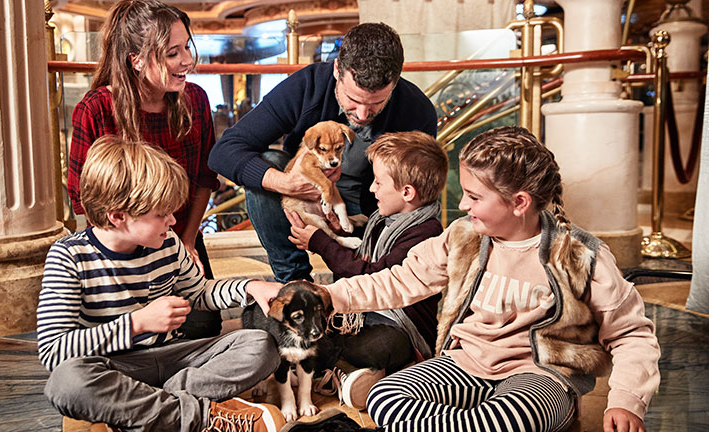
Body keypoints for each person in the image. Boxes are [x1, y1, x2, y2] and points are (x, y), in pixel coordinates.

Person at [285, 126, 661, 432]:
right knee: (386, 397)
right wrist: (327, 295)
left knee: (510, 418)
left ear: (519, 203)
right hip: (465, 364)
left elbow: (631, 333)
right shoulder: (463, 237)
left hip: (539, 375)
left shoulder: (581, 255)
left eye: (473, 196)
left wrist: (627, 400)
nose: (462, 206)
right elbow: (398, 281)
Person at [39, 137, 286, 432]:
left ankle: (139, 411)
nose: (171, 220)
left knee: (260, 345)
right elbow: (54, 351)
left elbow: (200, 293)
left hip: (174, 358)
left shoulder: (168, 243)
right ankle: (204, 417)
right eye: (161, 214)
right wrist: (137, 323)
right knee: (66, 383)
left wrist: (250, 287)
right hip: (112, 367)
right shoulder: (68, 256)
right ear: (118, 216)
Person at [208, 22, 438, 284]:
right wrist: (286, 183)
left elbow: (418, 199)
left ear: (395, 82)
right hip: (303, 205)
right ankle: (294, 282)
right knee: (267, 163)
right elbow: (224, 152)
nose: (362, 115)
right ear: (337, 70)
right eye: (353, 100)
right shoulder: (307, 86)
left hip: (374, 211)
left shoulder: (417, 111)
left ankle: (358, 276)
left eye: (376, 103)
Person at [68, 0, 222, 339]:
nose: (187, 61)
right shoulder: (95, 110)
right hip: (119, 249)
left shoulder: (195, 100)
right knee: (130, 339)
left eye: (186, 48)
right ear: (136, 60)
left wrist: (187, 242)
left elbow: (203, 180)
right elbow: (84, 201)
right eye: (172, 53)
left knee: (203, 330)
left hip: (180, 239)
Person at [284, 131, 448, 410]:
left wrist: (321, 242)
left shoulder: (426, 233)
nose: (372, 188)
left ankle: (339, 369)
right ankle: (357, 374)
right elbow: (367, 249)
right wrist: (338, 231)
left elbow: (371, 274)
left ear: (407, 193)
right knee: (307, 326)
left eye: (379, 182)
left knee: (379, 345)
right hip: (364, 315)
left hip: (401, 325)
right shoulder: (385, 218)